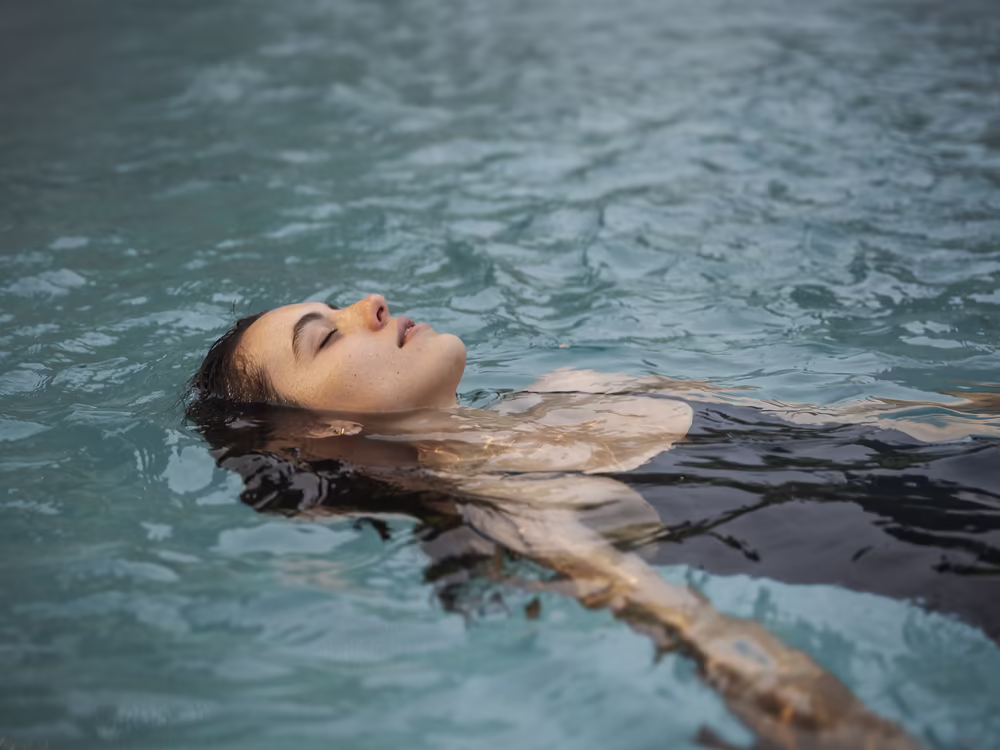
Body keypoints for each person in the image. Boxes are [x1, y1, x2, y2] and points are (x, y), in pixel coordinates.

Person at [189, 293, 1000, 750]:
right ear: (317, 434)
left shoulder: (582, 385)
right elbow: (712, 641)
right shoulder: (519, 514)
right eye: (324, 337)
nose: (372, 302)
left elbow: (861, 424)